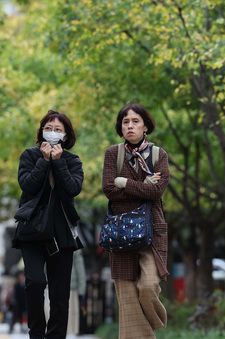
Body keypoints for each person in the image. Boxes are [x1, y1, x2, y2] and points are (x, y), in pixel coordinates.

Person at [13, 110, 84, 339]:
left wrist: (59, 162)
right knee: (35, 282)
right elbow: (28, 187)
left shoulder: (73, 160)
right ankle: (36, 333)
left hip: (61, 233)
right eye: (49, 128)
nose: (52, 132)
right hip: (32, 231)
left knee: (60, 294)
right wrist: (44, 162)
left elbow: (72, 189)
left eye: (58, 129)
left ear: (66, 135)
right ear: (42, 131)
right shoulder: (29, 156)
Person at [102, 103, 169, 338]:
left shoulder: (159, 155)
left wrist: (124, 183)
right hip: (120, 231)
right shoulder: (113, 153)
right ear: (121, 128)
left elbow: (156, 192)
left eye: (135, 121)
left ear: (146, 126)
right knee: (128, 299)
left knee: (148, 287)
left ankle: (158, 322)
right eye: (125, 122)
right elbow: (109, 189)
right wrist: (142, 185)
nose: (130, 126)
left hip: (151, 230)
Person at [67, 250, 86, 337]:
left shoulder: (75, 243)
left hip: (71, 287)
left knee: (71, 320)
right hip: (53, 286)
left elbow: (80, 269)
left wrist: (82, 291)